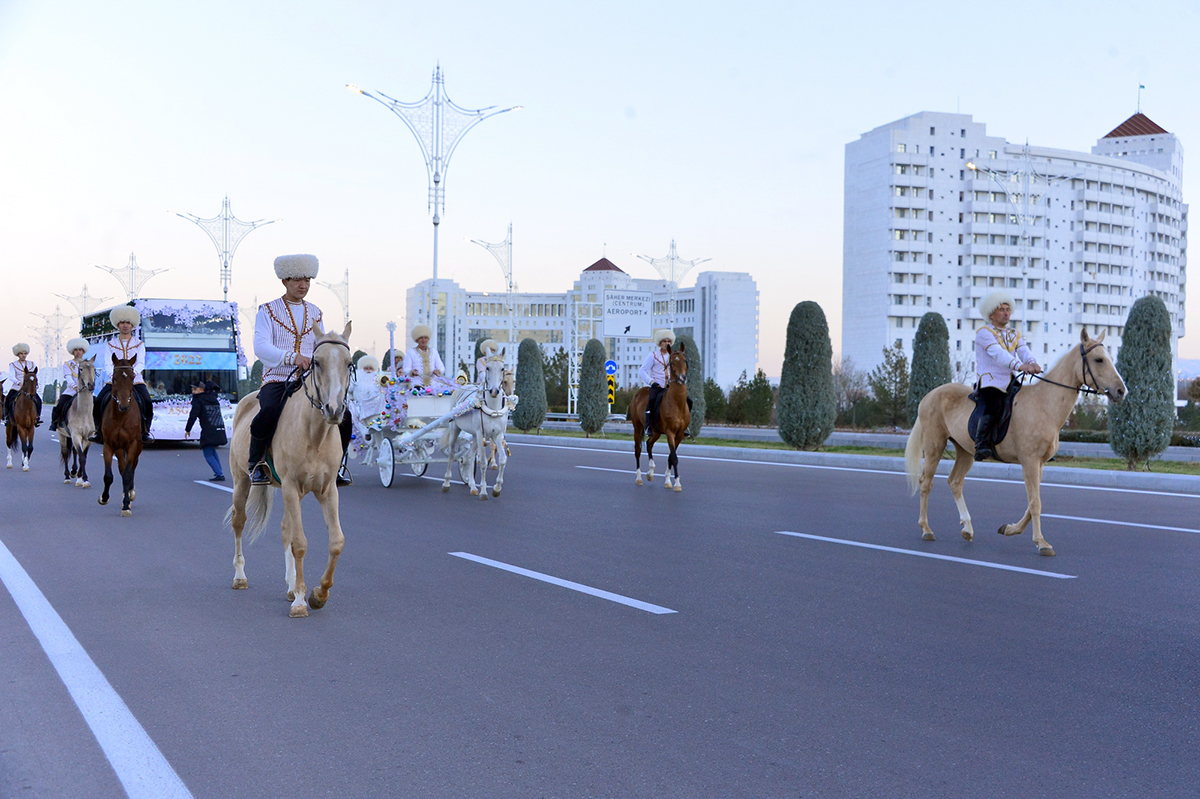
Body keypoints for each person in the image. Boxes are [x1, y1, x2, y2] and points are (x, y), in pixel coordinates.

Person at [247, 253, 353, 486]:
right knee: (268, 412)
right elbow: (260, 347)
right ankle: (256, 464)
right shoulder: (268, 310)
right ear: (284, 281)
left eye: (307, 280)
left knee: (346, 416)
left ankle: (337, 467)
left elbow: (321, 344)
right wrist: (292, 357)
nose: (303, 285)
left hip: (309, 380)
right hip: (277, 377)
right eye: (297, 280)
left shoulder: (315, 312)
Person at [972, 290, 1042, 461]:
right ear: (991, 313)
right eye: (1002, 309)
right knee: (994, 406)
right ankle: (981, 445)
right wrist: (1020, 365)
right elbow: (998, 354)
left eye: (1008, 309)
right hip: (990, 380)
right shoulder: (983, 333)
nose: (1006, 313)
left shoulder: (1013, 333)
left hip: (1010, 380)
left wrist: (1032, 362)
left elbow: (1023, 349)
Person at [90, 306, 154, 443]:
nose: (125, 326)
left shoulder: (139, 344)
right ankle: (98, 431)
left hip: (135, 380)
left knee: (148, 402)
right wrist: (114, 376)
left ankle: (146, 431)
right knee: (99, 402)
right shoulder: (110, 344)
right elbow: (108, 363)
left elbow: (141, 363)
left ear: (132, 325)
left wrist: (132, 374)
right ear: (117, 325)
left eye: (128, 323)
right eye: (122, 323)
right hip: (114, 380)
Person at [185, 380, 228, 481]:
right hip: (219, 427)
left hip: (208, 430)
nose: (193, 391)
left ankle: (219, 473)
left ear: (201, 390)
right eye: (192, 389)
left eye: (195, 389)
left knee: (207, 452)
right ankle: (219, 472)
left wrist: (188, 429)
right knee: (212, 451)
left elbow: (193, 415)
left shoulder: (198, 400)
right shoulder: (213, 398)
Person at [638, 329, 676, 439]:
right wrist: (652, 382)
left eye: (669, 341)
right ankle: (648, 426)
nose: (667, 343)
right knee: (652, 400)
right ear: (660, 343)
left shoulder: (673, 356)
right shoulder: (653, 355)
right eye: (664, 341)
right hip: (658, 385)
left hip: (671, 387)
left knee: (687, 400)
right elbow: (642, 370)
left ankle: (685, 426)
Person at [50, 338, 91, 431]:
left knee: (96, 404)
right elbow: (68, 377)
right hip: (72, 390)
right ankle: (55, 422)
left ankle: (97, 426)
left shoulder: (88, 364)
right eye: (76, 350)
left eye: (80, 350)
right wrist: (75, 386)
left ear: (83, 351)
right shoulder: (68, 364)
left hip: (85, 391)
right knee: (61, 403)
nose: (78, 352)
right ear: (73, 352)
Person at [5, 343, 42, 427]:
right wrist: (19, 382)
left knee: (38, 400)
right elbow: (11, 376)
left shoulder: (32, 364)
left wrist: (35, 385)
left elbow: (36, 375)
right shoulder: (13, 365)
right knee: (8, 399)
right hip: (17, 387)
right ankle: (7, 417)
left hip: (29, 388)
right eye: (21, 354)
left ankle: (37, 417)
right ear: (18, 354)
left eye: (25, 353)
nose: (23, 355)